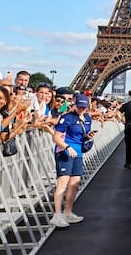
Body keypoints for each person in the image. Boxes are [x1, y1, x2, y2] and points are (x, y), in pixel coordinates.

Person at [50, 93, 95, 228]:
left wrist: (88, 136)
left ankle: (68, 212)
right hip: (65, 152)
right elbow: (56, 137)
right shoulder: (67, 118)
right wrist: (67, 147)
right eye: (79, 106)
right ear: (74, 104)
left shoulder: (87, 118)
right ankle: (57, 215)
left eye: (84, 107)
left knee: (75, 184)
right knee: (62, 183)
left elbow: (82, 134)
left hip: (78, 152)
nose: (82, 109)